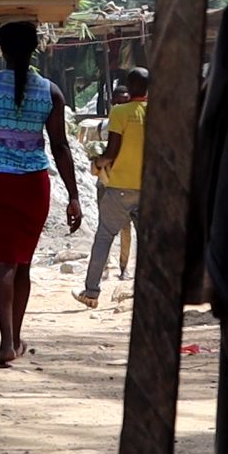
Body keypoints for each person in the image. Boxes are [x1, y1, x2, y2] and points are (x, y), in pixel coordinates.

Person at [0, 22, 83, 367]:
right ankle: (14, 337)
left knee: (1, 262)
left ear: (1, 48)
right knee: (22, 264)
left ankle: (6, 344)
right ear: (35, 49)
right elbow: (60, 146)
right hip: (33, 185)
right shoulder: (51, 92)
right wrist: (74, 196)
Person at [74, 68, 149, 308]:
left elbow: (112, 151)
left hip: (120, 187)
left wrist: (97, 163)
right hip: (149, 189)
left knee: (104, 237)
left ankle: (91, 292)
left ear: (129, 86)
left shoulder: (120, 112)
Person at [99, 85, 133, 280]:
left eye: (124, 102)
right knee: (105, 226)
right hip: (107, 181)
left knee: (125, 228)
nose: (121, 105)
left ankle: (123, 266)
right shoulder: (103, 127)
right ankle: (105, 266)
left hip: (122, 180)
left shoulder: (128, 125)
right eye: (119, 102)